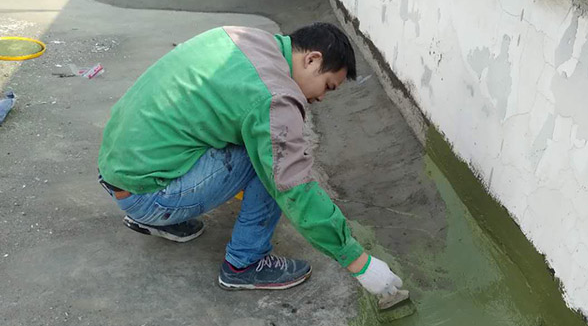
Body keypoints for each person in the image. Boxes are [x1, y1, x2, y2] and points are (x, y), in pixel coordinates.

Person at [97, 22, 403, 299]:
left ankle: (157, 217)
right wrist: (358, 262)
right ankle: (245, 263)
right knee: (275, 158)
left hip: (119, 171)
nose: (322, 98)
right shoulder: (276, 97)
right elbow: (294, 187)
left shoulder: (242, 37)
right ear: (312, 59)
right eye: (328, 86)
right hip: (149, 194)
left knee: (254, 134)